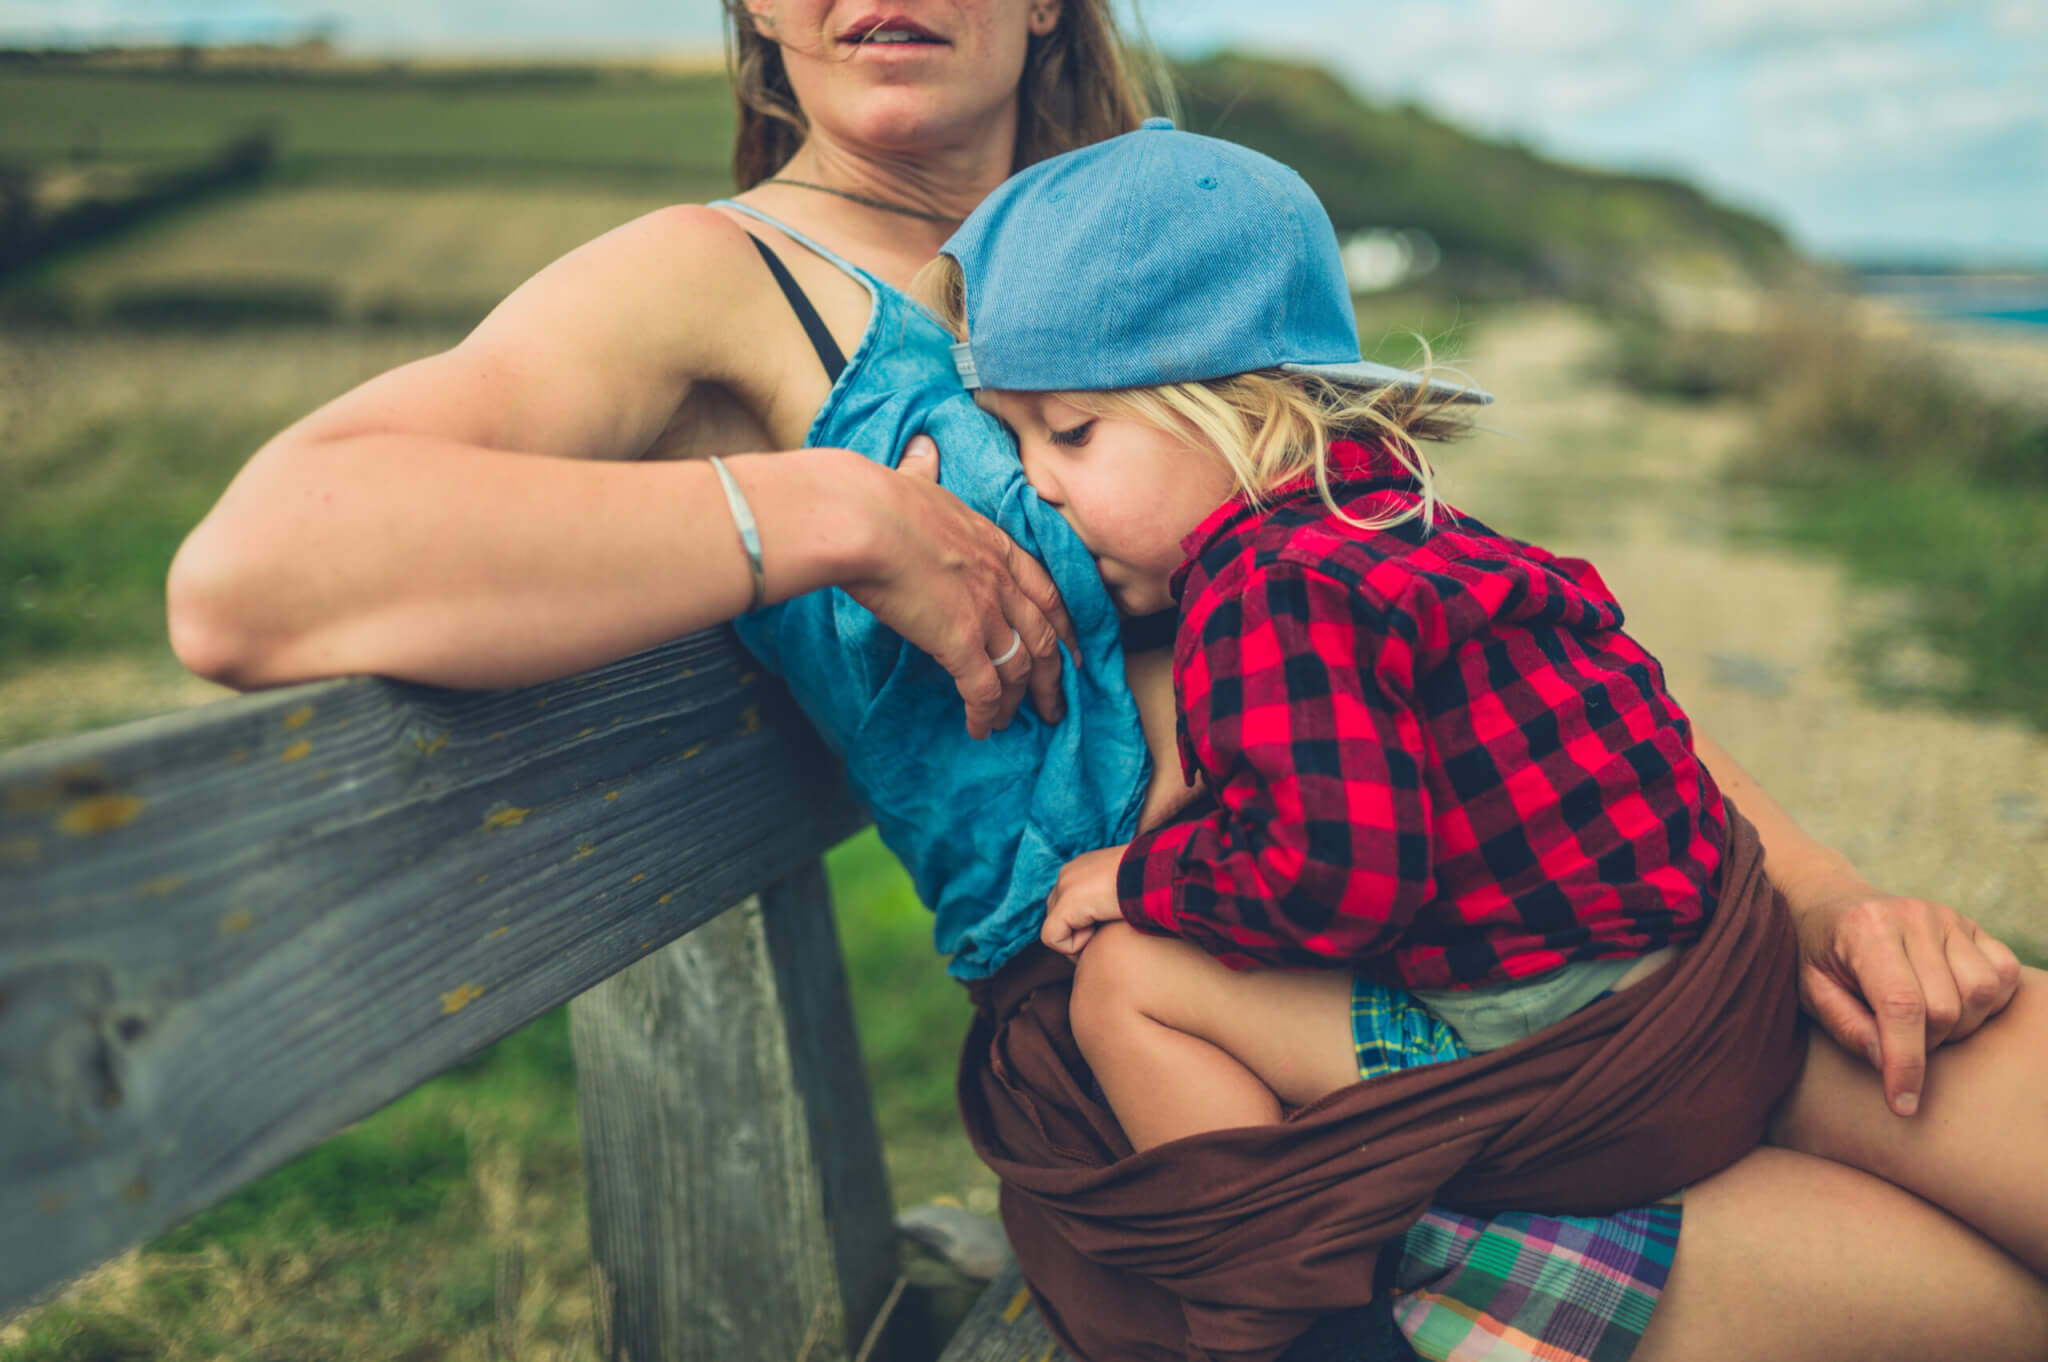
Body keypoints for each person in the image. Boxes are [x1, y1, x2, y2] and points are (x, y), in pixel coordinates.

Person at [163, 5, 2044, 1361]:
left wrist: (1833, 895)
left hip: (1570, 940)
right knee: (1979, 1311)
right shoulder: (709, 280)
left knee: (1992, 1073)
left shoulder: (1163, 225)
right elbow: (257, 573)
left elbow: (1468, 640)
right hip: (1243, 1057)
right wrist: (826, 512)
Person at [928, 121, 1758, 1153]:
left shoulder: (1269, 589)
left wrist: (1131, 880)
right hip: (1701, 991)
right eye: (1015, 440)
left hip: (1568, 1049)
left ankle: (1286, 1270)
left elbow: (1331, 885)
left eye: (1069, 431)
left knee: (1121, 986)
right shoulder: (1394, 527)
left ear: (1239, 407)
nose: (1037, 485)